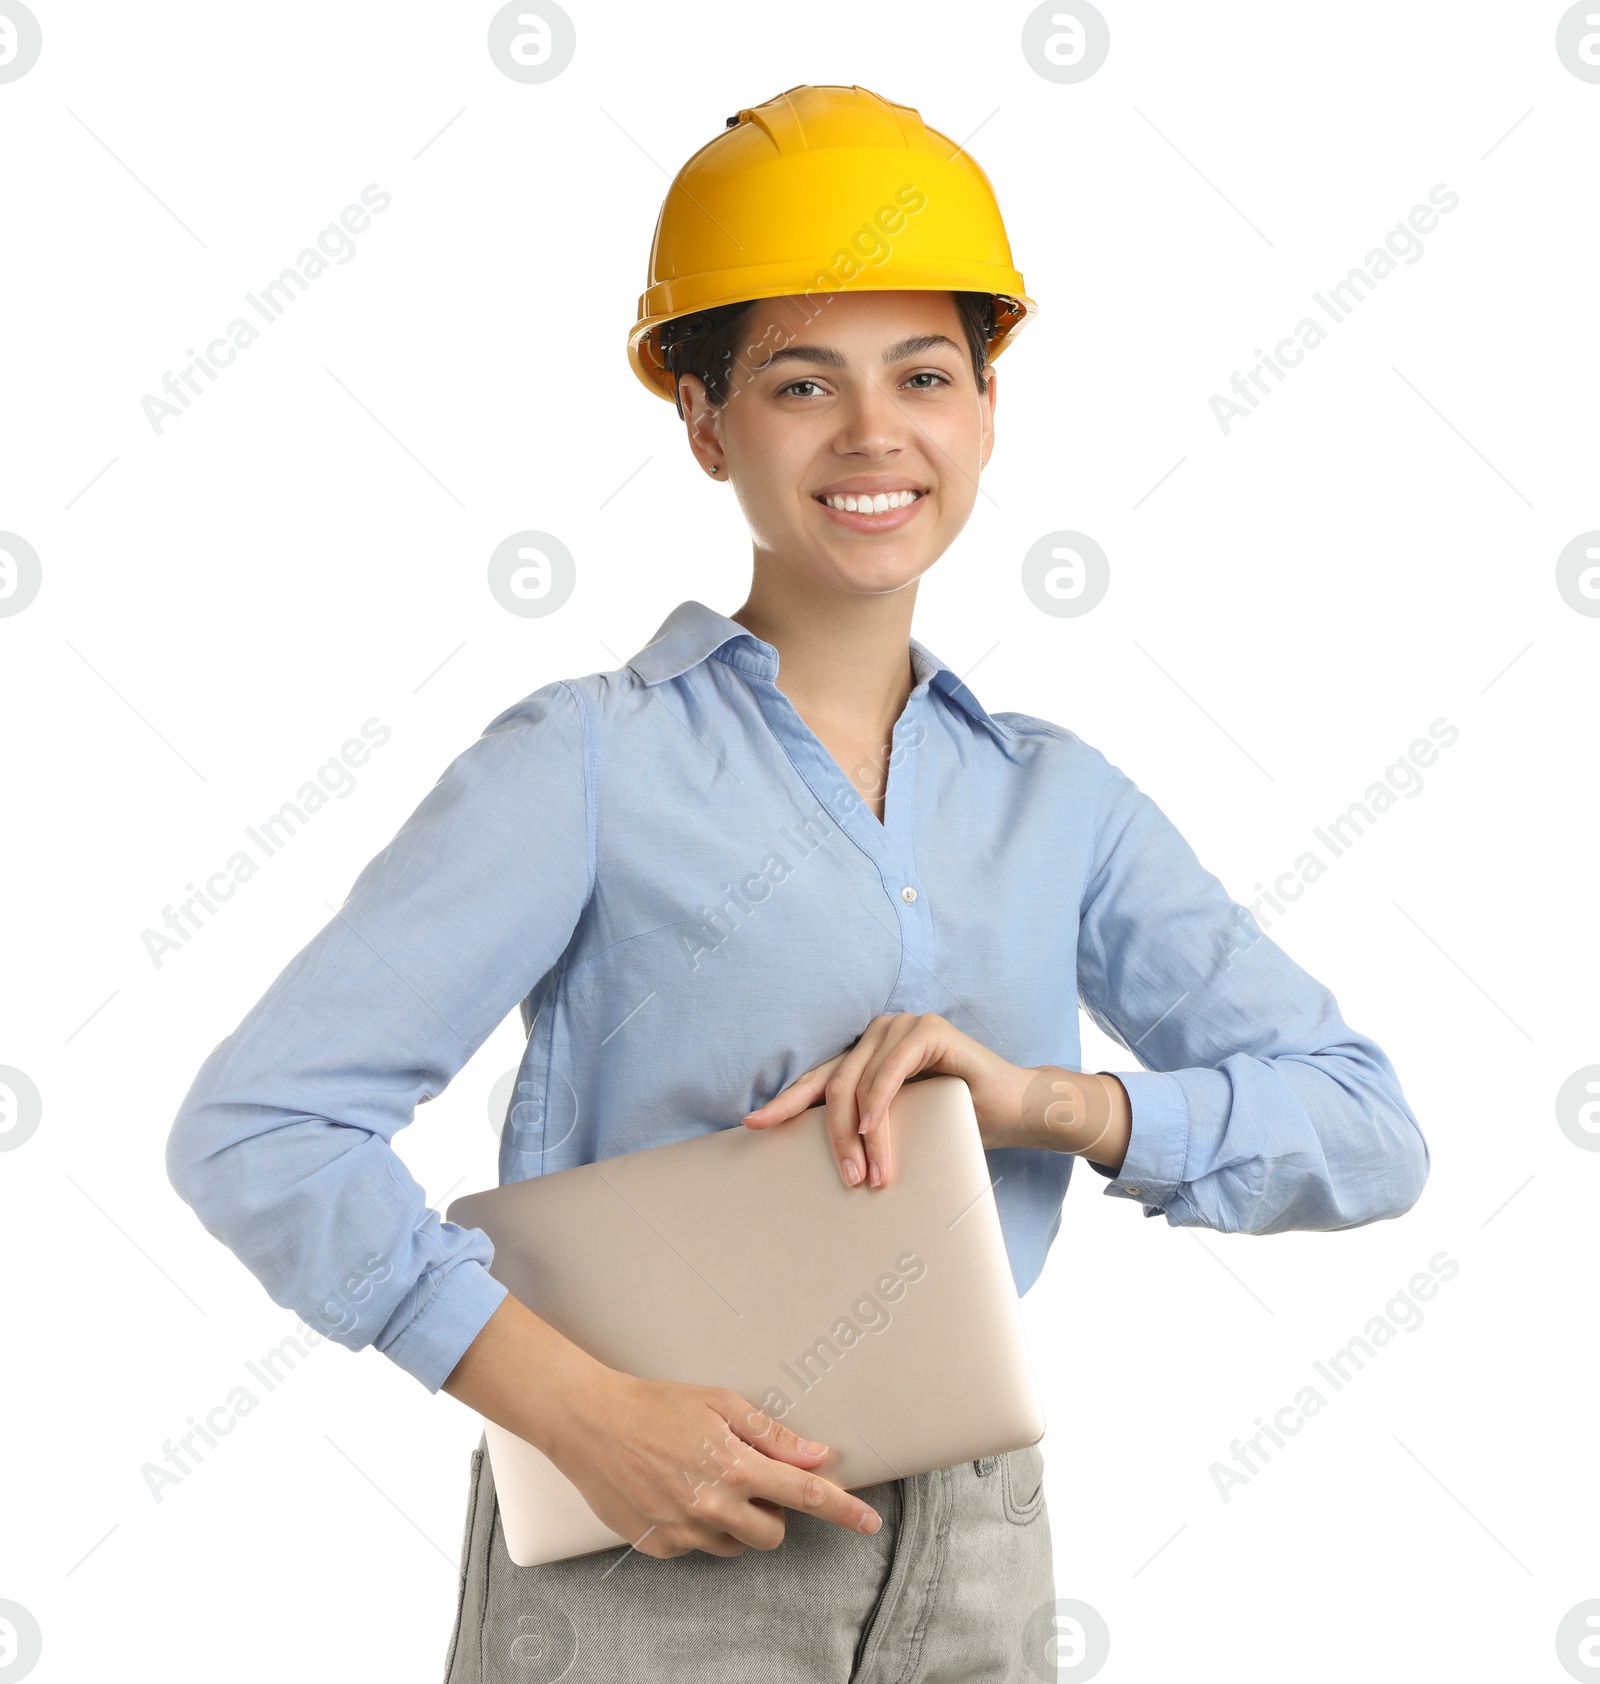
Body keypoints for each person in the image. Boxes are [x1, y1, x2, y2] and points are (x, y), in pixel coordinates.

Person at [165, 84, 1430, 1683]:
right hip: (654, 1552)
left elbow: (1370, 1131)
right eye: (797, 382)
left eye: (924, 374)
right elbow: (259, 1129)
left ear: (986, 406)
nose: (872, 433)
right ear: (704, 424)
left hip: (979, 1551)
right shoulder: (586, 762)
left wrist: (1048, 1105)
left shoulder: (1063, 799)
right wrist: (581, 1415)